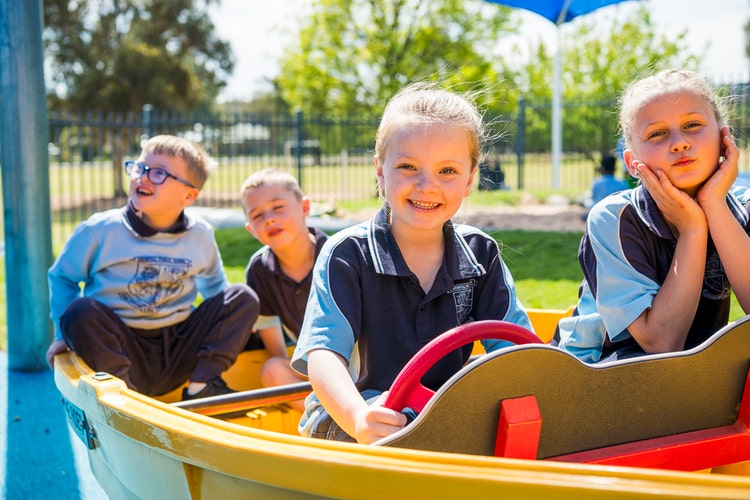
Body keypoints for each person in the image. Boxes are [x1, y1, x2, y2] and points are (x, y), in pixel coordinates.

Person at [290, 83, 533, 444]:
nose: (426, 186)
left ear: (469, 179)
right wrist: (359, 418)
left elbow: (516, 351)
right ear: (380, 170)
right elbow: (324, 356)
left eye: (447, 171)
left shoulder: (480, 254)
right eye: (407, 166)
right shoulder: (348, 254)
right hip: (351, 416)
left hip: (439, 417)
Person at [556, 69, 750, 363]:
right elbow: (661, 344)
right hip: (598, 369)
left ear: (725, 139)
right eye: (657, 133)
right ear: (633, 163)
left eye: (693, 124)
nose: (679, 143)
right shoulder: (614, 218)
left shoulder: (743, 206)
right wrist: (693, 230)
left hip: (694, 370)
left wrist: (714, 204)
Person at [46, 135, 260, 400]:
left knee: (243, 298)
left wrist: (235, 323)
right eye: (139, 167)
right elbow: (62, 277)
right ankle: (126, 398)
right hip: (120, 346)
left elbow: (216, 288)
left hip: (179, 344)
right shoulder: (100, 230)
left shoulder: (200, 234)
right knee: (79, 312)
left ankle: (202, 386)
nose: (143, 177)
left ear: (189, 194)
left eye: (158, 173)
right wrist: (60, 333)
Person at [241, 168, 326, 405]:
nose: (269, 218)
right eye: (257, 216)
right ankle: (328, 421)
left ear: (305, 208)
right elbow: (278, 351)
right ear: (251, 229)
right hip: (312, 368)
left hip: (359, 363)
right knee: (272, 370)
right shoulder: (260, 269)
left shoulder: (338, 255)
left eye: (278, 207)